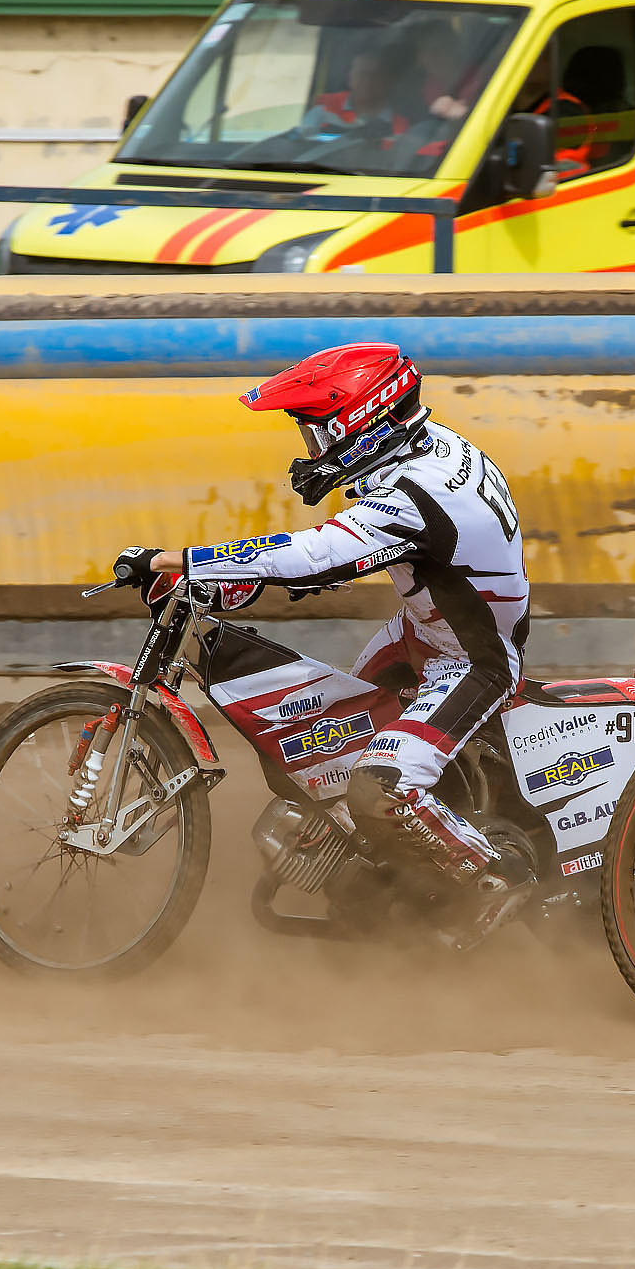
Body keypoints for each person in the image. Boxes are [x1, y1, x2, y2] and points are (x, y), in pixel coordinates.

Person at [108, 342, 534, 945]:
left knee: (378, 785)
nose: (311, 453)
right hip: (423, 634)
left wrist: (179, 560)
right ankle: (381, 876)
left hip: (474, 662)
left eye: (316, 435)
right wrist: (236, 577)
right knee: (327, 757)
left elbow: (320, 556)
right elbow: (338, 559)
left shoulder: (418, 492)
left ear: (360, 419)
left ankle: (496, 875)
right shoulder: (424, 450)